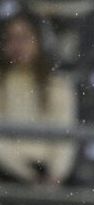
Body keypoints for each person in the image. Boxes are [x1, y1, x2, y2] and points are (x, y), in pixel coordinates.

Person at [0, 8, 76, 186]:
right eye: (12, 39)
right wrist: (27, 175)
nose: (18, 45)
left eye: (25, 38)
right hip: (7, 173)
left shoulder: (57, 85)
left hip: (48, 176)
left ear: (39, 41)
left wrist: (56, 175)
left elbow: (65, 135)